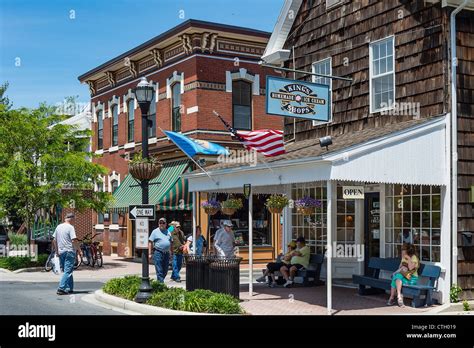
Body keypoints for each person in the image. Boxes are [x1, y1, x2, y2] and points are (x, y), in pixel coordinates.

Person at [52, 213, 82, 295]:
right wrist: (79, 251)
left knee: (68, 271)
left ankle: (70, 288)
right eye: (74, 219)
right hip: (69, 251)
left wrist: (57, 251)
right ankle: (61, 288)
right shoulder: (70, 227)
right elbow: (74, 240)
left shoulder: (58, 227)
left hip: (61, 252)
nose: (74, 221)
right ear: (71, 218)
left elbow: (54, 240)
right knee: (68, 271)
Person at [148, 217, 173, 283]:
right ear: (158, 224)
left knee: (165, 270)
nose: (161, 224)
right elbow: (150, 242)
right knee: (159, 270)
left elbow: (170, 242)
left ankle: (159, 283)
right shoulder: (155, 231)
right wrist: (149, 253)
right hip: (158, 252)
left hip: (166, 253)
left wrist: (171, 253)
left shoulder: (168, 231)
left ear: (166, 224)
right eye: (160, 223)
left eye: (163, 223)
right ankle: (161, 285)